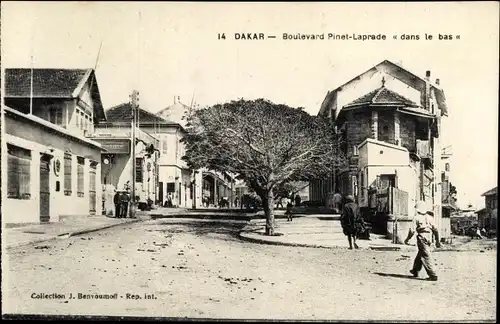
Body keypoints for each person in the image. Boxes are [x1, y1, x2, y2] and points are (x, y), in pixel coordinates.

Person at [404, 202, 441, 281]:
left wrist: (407, 239)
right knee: (421, 253)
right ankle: (415, 270)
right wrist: (437, 240)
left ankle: (433, 275)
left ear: (418, 210)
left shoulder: (416, 218)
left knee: (425, 255)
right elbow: (436, 230)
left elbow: (412, 231)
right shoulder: (430, 218)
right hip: (429, 237)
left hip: (422, 237)